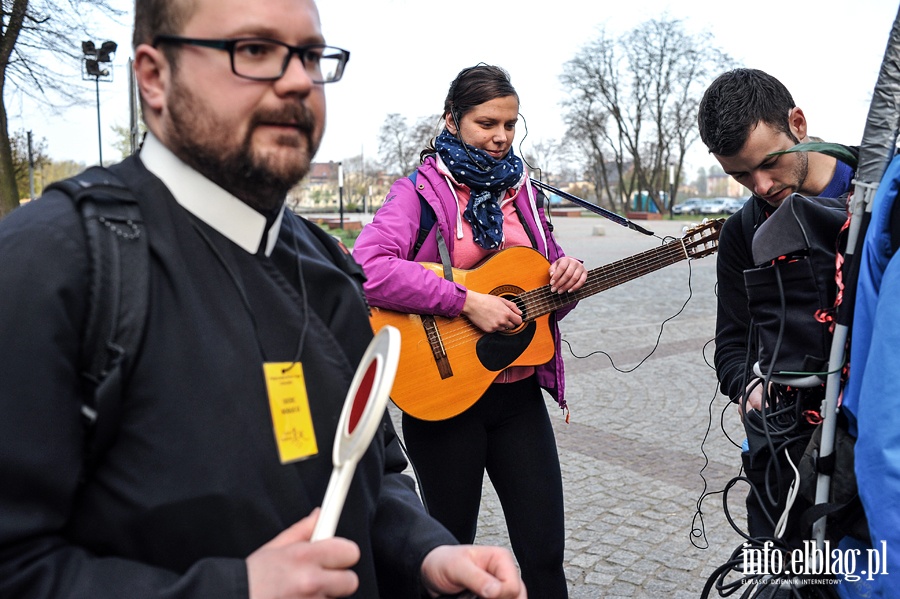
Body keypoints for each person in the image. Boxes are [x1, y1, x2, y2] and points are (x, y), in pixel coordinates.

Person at [0, 1, 527, 598]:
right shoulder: (48, 265)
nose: (299, 80)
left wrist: (427, 553)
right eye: (254, 51)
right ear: (153, 76)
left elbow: (370, 473)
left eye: (309, 56)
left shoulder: (328, 268)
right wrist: (236, 589)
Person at [352, 64, 586, 599]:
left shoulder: (524, 196)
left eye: (510, 123)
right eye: (486, 123)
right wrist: (466, 301)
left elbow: (535, 305)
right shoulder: (418, 192)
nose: (501, 136)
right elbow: (368, 267)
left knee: (545, 554)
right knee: (451, 558)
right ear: (452, 120)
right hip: (443, 398)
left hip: (518, 395)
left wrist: (564, 283)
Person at [697, 69, 856, 553]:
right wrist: (748, 386)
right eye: (740, 175)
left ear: (799, 124)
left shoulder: (880, 190)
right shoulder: (743, 232)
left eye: (769, 163)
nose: (761, 185)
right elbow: (731, 344)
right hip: (783, 456)